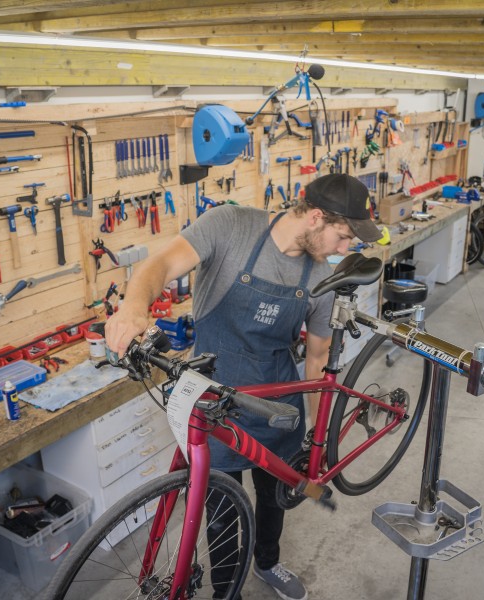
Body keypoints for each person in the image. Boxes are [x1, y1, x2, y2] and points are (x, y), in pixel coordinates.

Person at [105, 173, 381, 600]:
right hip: (214, 402)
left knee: (274, 500)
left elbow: (317, 358)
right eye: (343, 236)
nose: (346, 249)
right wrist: (133, 307)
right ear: (314, 218)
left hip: (277, 401)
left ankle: (267, 563)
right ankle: (225, 589)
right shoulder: (229, 226)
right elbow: (158, 265)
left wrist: (318, 433)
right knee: (219, 511)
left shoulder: (321, 277)